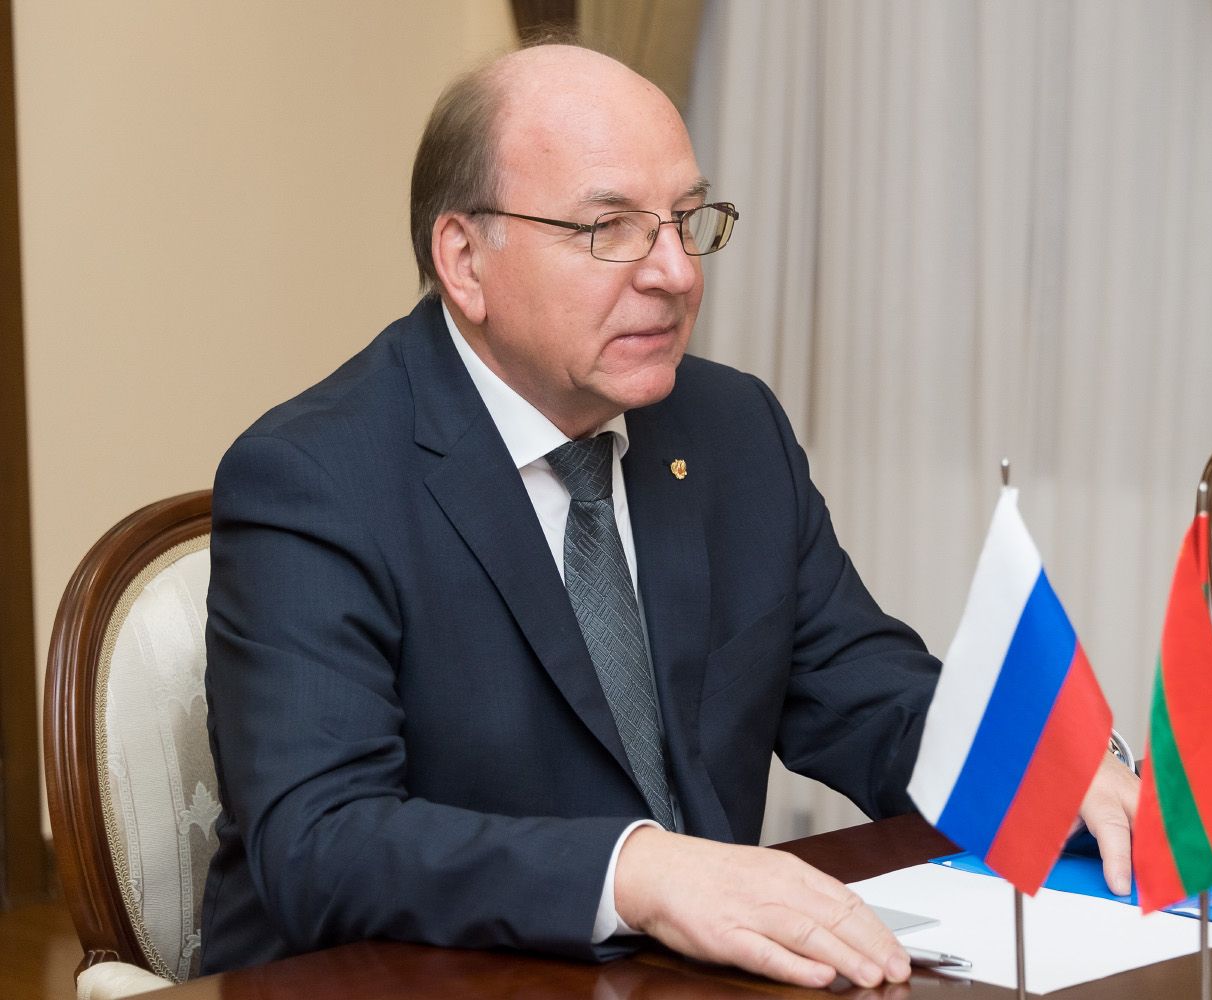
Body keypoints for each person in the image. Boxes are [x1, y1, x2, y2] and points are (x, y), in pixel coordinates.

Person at [201, 43, 1138, 990]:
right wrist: (638, 874)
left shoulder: (730, 427)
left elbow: (861, 688)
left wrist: (1031, 761)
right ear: (465, 260)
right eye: (610, 228)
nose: (677, 273)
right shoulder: (316, 478)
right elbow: (320, 840)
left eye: (687, 221)